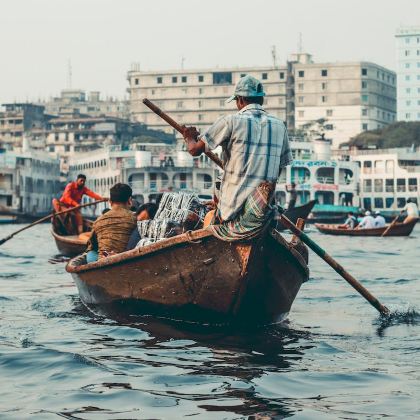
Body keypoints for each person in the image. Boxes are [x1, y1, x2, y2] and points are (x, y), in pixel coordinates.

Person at [182, 75, 293, 240]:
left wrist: (188, 136)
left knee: (206, 219)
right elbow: (280, 166)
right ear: (261, 100)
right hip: (264, 214)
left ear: (240, 100)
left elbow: (194, 150)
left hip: (231, 212)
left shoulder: (230, 121)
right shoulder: (279, 126)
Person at [86, 183, 136, 263]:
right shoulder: (135, 218)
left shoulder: (98, 221)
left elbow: (92, 245)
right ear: (130, 201)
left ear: (110, 201)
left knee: (90, 253)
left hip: (103, 259)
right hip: (126, 259)